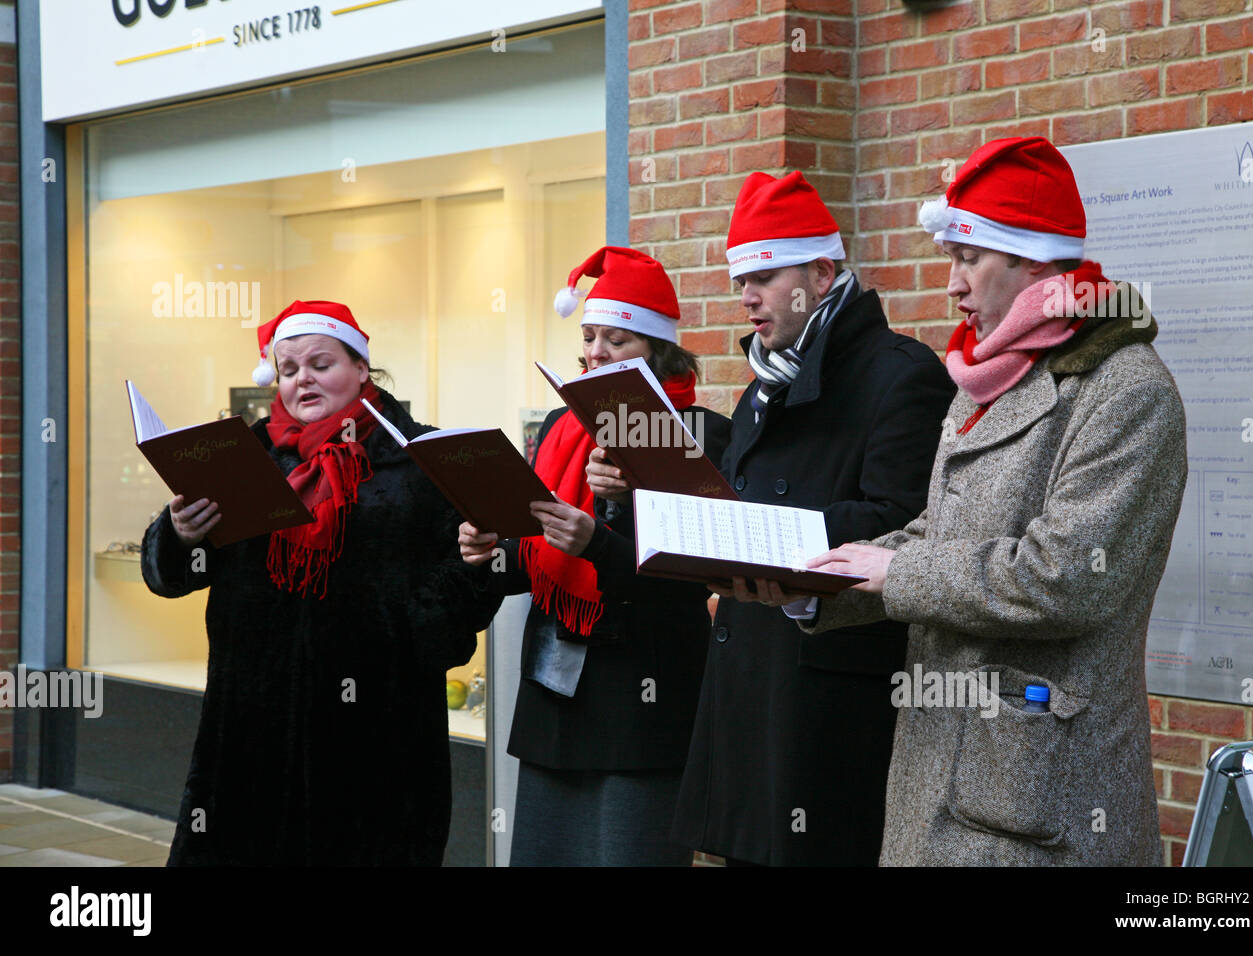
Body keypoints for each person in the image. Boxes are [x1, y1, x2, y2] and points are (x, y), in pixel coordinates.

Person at [801, 137, 1187, 865]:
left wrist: (898, 576)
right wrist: (812, 580)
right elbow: (934, 530)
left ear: (1033, 259)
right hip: (942, 776)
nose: (952, 285)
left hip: (1042, 800)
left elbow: (1067, 576)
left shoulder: (1127, 390)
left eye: (967, 258)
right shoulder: (986, 377)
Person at [141, 299, 501, 865]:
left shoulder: (423, 460)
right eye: (288, 370)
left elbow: (470, 585)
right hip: (252, 725)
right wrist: (179, 534)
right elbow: (171, 577)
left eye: (320, 363)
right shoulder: (242, 457)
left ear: (361, 368)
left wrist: (446, 592)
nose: (302, 379)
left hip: (378, 730)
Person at [669, 171, 956, 866]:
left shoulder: (902, 373)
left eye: (766, 275)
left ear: (823, 272)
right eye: (740, 278)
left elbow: (906, 521)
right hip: (750, 681)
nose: (746, 296)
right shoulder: (764, 385)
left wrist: (770, 539)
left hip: (830, 694)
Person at [458, 247, 730, 866]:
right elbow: (533, 559)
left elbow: (697, 581)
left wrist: (603, 539)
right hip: (556, 704)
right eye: (589, 337)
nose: (596, 351)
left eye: (617, 338)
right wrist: (488, 553)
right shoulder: (559, 426)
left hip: (641, 707)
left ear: (659, 353)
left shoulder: (702, 434)